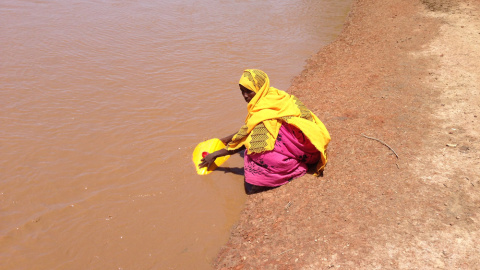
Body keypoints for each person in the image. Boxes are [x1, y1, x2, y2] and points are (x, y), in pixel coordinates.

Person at [199, 69, 330, 194]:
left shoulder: (262, 110)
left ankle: (294, 168)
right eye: (242, 91)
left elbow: (249, 137)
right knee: (265, 133)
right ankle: (292, 155)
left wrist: (216, 154)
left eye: (248, 91)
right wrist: (225, 140)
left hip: (306, 154)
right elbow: (252, 126)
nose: (245, 96)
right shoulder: (276, 95)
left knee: (254, 155)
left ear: (259, 89)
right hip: (314, 144)